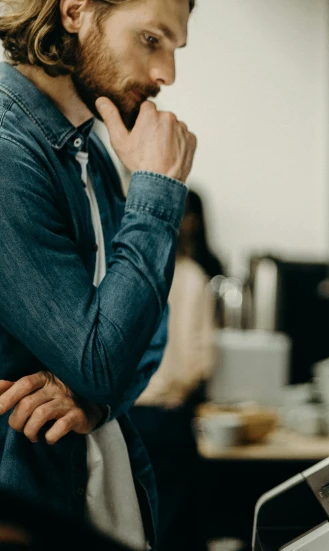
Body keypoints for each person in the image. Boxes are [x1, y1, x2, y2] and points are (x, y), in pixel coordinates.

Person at [0, 0, 197, 551]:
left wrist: (93, 401)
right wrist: (158, 191)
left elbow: (148, 329)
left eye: (175, 49)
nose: (166, 72)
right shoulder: (8, 151)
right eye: (150, 39)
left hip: (98, 487)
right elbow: (102, 355)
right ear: (76, 10)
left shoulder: (92, 150)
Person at [130, 190, 223, 551]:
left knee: (133, 515)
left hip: (126, 413)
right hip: (169, 414)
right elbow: (203, 358)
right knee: (172, 520)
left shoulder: (131, 273)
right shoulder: (194, 276)